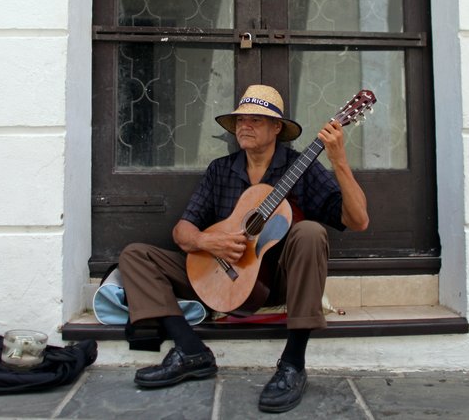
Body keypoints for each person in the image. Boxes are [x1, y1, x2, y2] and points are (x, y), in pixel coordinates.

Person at [119, 84, 369, 413]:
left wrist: (339, 160)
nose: (244, 126)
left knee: (309, 231)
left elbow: (358, 220)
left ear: (277, 128)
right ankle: (190, 349)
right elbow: (183, 230)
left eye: (255, 119)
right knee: (135, 256)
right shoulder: (221, 170)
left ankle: (293, 363)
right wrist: (208, 241)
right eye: (240, 120)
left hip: (276, 281)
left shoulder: (302, 168)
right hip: (221, 277)